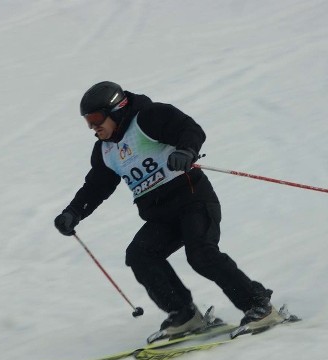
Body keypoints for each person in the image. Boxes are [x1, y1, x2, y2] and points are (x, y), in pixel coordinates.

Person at [54, 81, 282, 338]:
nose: (93, 127)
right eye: (88, 121)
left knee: (201, 255)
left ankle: (259, 306)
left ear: (117, 110)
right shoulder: (105, 151)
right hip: (161, 217)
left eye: (96, 119)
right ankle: (185, 315)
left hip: (193, 201)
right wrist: (74, 212)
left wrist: (187, 151)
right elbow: (97, 186)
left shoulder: (148, 118)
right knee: (140, 255)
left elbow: (189, 129)